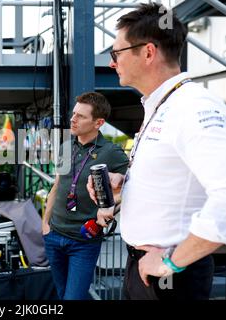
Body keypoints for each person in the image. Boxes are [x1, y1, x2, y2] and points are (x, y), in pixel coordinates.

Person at [87, 3, 226, 300]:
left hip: (171, 275)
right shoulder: (163, 106)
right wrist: (125, 186)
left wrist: (171, 261)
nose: (112, 63)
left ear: (148, 52)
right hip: (146, 267)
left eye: (117, 53)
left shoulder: (193, 107)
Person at [42, 92, 129, 300]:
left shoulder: (112, 152)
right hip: (54, 235)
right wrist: (44, 223)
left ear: (98, 122)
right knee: (61, 294)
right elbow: (57, 186)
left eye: (81, 116)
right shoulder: (64, 147)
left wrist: (109, 212)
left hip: (84, 241)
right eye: (74, 113)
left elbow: (133, 189)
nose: (73, 119)